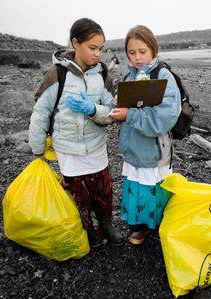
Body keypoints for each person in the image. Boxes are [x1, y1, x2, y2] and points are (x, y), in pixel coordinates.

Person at [29, 18, 124, 248]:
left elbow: (111, 112)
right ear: (75, 43)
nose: (98, 54)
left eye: (101, 49)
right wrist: (37, 147)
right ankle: (87, 230)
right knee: (78, 196)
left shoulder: (102, 75)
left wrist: (92, 109)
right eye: (92, 48)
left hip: (95, 146)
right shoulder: (56, 75)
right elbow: (40, 112)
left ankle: (106, 225)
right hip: (67, 149)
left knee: (103, 191)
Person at [108, 25, 181, 245]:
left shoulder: (164, 76)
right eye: (131, 52)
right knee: (134, 186)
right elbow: (128, 106)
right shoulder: (128, 76)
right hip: (132, 149)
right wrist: (117, 102)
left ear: (153, 49)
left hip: (154, 151)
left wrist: (129, 115)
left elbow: (165, 118)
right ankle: (138, 228)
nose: (137, 57)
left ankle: (157, 229)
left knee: (153, 190)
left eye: (142, 51)